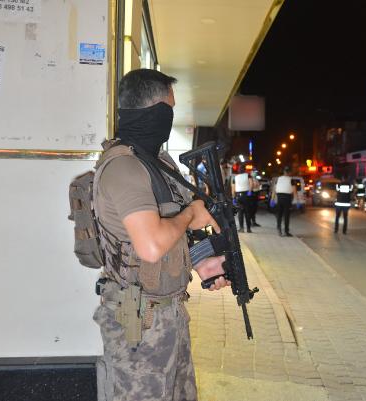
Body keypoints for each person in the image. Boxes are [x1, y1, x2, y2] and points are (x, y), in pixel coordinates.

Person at [92, 68, 229, 401]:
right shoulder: (124, 168)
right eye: (170, 108)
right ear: (154, 111)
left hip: (170, 315)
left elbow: (170, 233)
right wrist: (191, 214)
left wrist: (201, 263)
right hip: (138, 325)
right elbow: (151, 245)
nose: (171, 117)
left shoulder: (158, 164)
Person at [274, 166, 297, 237]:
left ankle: (279, 230)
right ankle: (286, 231)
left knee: (279, 214)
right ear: (289, 172)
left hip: (280, 197)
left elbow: (274, 189)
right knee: (286, 215)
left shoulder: (278, 179)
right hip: (287, 198)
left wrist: (272, 198)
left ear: (284, 172)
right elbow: (294, 191)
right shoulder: (291, 180)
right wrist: (296, 200)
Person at [232, 164, 253, 233]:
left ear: (238, 170)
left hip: (238, 196)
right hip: (246, 195)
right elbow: (251, 183)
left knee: (240, 212)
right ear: (245, 169)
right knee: (247, 212)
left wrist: (233, 197)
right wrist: (250, 191)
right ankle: (248, 229)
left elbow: (233, 188)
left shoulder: (235, 177)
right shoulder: (248, 175)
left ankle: (241, 228)